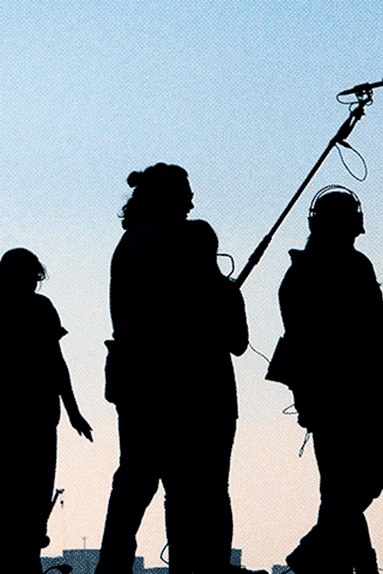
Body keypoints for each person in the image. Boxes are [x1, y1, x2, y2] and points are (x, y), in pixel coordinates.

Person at [95, 163, 253, 574]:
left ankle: (115, 567)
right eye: (185, 194)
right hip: (186, 390)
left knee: (139, 484)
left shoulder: (134, 243)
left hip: (144, 386)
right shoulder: (175, 245)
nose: (191, 203)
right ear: (166, 198)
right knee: (193, 491)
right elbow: (233, 338)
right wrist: (222, 292)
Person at [268, 188, 383, 574]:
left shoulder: (310, 271)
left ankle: (335, 563)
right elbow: (341, 334)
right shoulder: (335, 269)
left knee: (343, 490)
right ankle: (321, 560)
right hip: (346, 396)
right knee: (354, 486)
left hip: (339, 395)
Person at [0, 247, 92, 573]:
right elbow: (56, 364)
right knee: (33, 500)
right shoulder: (40, 309)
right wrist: (73, 411)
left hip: (21, 419)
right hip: (38, 419)